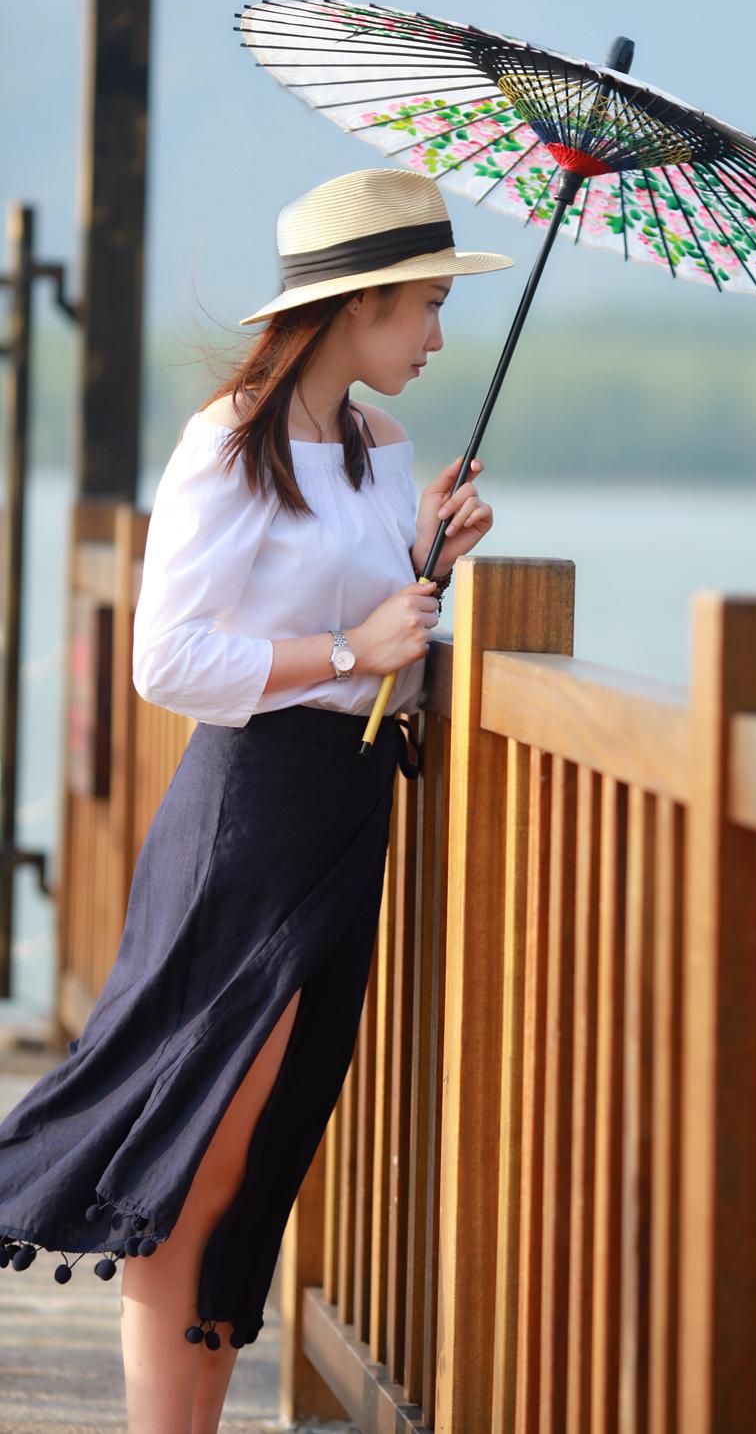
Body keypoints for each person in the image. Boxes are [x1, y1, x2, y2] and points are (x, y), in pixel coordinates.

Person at [0, 167, 513, 1433]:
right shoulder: (231, 441)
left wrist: (422, 553)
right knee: (199, 1158)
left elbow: (362, 616)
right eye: (426, 307)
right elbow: (167, 660)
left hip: (343, 818)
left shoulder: (377, 447)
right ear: (359, 303)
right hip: (248, 820)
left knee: (262, 1160)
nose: (437, 338)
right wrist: (348, 648)